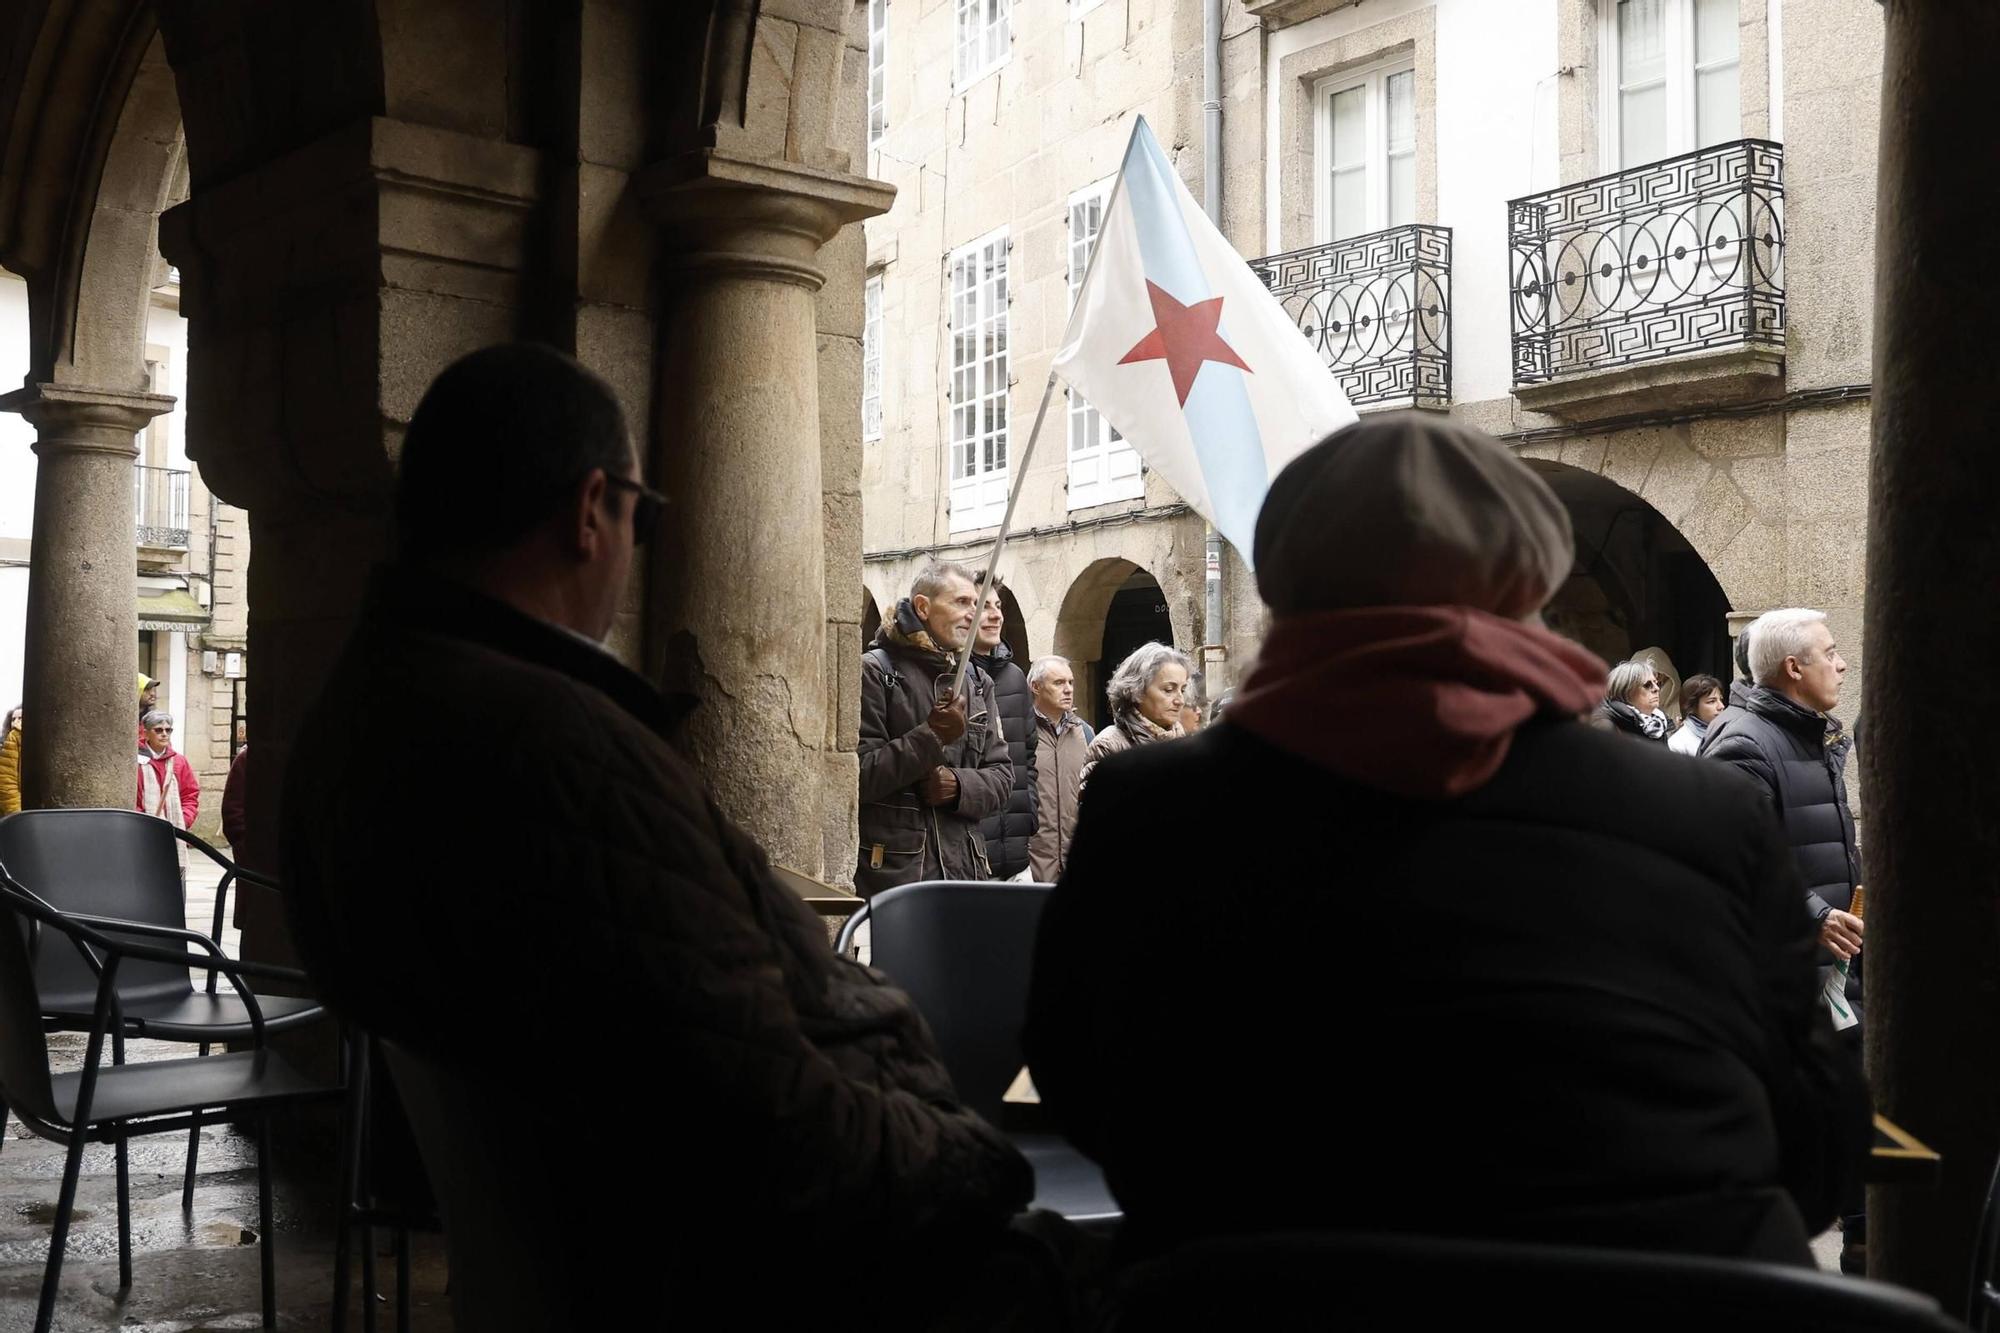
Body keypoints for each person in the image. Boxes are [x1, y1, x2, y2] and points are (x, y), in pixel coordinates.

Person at [281, 344, 1033, 1329]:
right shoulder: (556, 754)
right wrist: (974, 1163)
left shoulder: (365, 711)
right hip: (746, 1272)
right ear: (592, 509)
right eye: (645, 512)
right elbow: (776, 1127)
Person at [1025, 415, 1867, 1268]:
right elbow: (1818, 1145)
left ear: (1287, 577)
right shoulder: (1705, 813)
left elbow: (1088, 1089)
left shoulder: (1153, 807)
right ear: (1529, 575)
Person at [857, 561, 1013, 896]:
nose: (974, 613)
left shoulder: (977, 681)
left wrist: (958, 786)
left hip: (964, 874)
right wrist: (931, 738)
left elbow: (1002, 777)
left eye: (976, 603)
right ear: (923, 607)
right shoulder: (875, 673)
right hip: (897, 877)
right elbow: (858, 775)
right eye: (961, 602)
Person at [970, 581, 1038, 882]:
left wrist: (1030, 811)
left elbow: (1029, 754)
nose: (995, 615)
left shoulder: (1015, 677)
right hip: (969, 849)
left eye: (998, 606)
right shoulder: (948, 675)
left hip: (1016, 851)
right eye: (984, 606)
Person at [1078, 642, 1188, 790]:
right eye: (1168, 690)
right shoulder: (1108, 745)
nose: (1180, 700)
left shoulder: (1185, 742)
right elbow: (1098, 809)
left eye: (1183, 689)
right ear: (1137, 691)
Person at [1026, 656, 1093, 884]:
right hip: (1033, 864)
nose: (1068, 690)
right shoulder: (1020, 733)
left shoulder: (1084, 733)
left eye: (1071, 683)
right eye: (1058, 683)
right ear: (1035, 687)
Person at [136, 709, 199, 866]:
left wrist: (183, 819)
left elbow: (190, 795)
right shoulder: (135, 761)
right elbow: (133, 798)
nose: (164, 734)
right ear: (146, 733)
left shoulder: (179, 761)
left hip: (174, 832)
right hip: (143, 832)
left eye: (168, 730)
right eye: (158, 730)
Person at [1599, 658, 1668, 741]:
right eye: (1647, 685)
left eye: (1656, 683)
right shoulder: (1608, 726)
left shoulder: (1660, 722)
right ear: (1625, 691)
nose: (1656, 688)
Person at [1669, 674, 1726, 756]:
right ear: (1692, 707)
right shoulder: (1677, 744)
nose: (1721, 706)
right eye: (1712, 701)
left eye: (1720, 700)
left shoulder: (1726, 732)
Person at [0, 705, 20, 816]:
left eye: (20, 718)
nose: (15, 722)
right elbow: (6, 780)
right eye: (13, 719)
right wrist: (17, 814)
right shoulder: (12, 739)